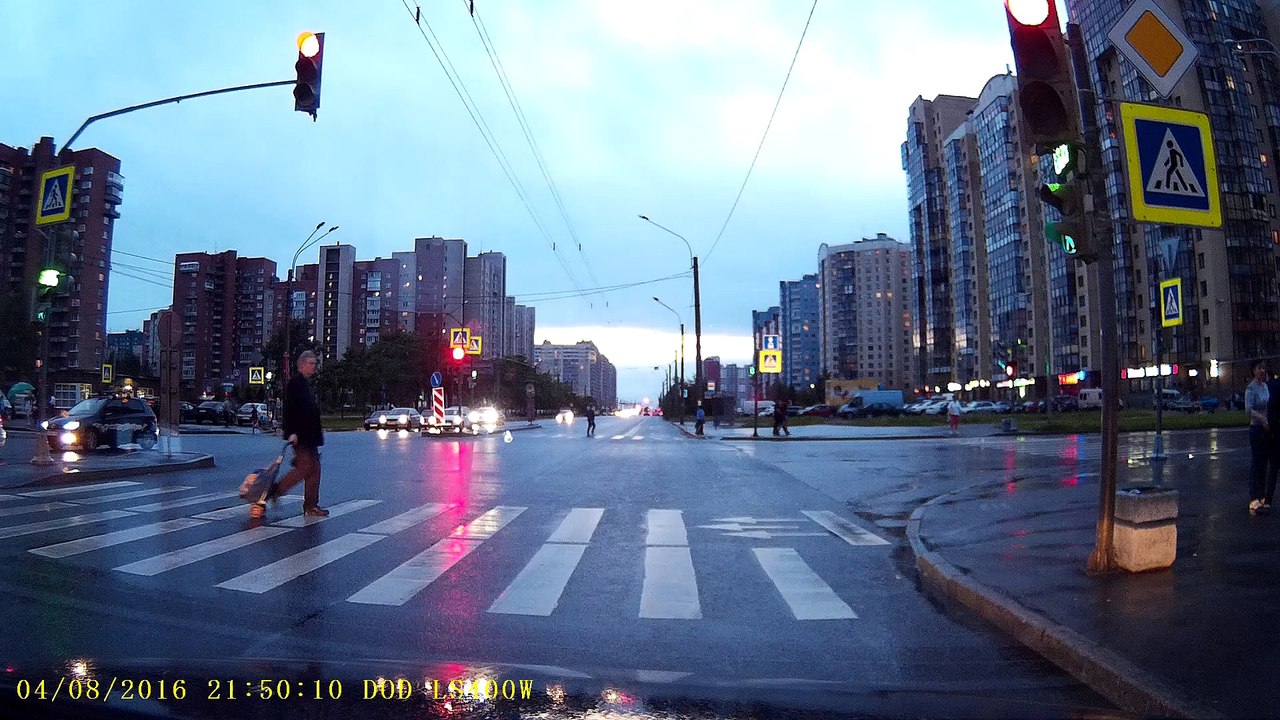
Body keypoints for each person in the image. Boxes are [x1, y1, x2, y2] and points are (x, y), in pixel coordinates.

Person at [261, 351, 327, 519]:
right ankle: (275, 491)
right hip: (301, 435)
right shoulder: (295, 384)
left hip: (310, 435)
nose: (314, 367)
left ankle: (311, 506)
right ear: (302, 365)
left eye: (314, 363)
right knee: (306, 467)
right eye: (311, 363)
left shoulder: (305, 384)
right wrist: (292, 432)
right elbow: (291, 410)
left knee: (315, 470)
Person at [1246, 359, 1271, 515]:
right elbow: (1249, 410)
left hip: (1267, 429)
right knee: (1256, 462)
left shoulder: (1265, 386)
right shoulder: (1251, 388)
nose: (1262, 370)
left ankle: (1262, 496)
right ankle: (1254, 497)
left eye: (1263, 367)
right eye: (1259, 368)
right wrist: (1262, 420)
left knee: (1264, 464)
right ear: (1253, 370)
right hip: (1257, 428)